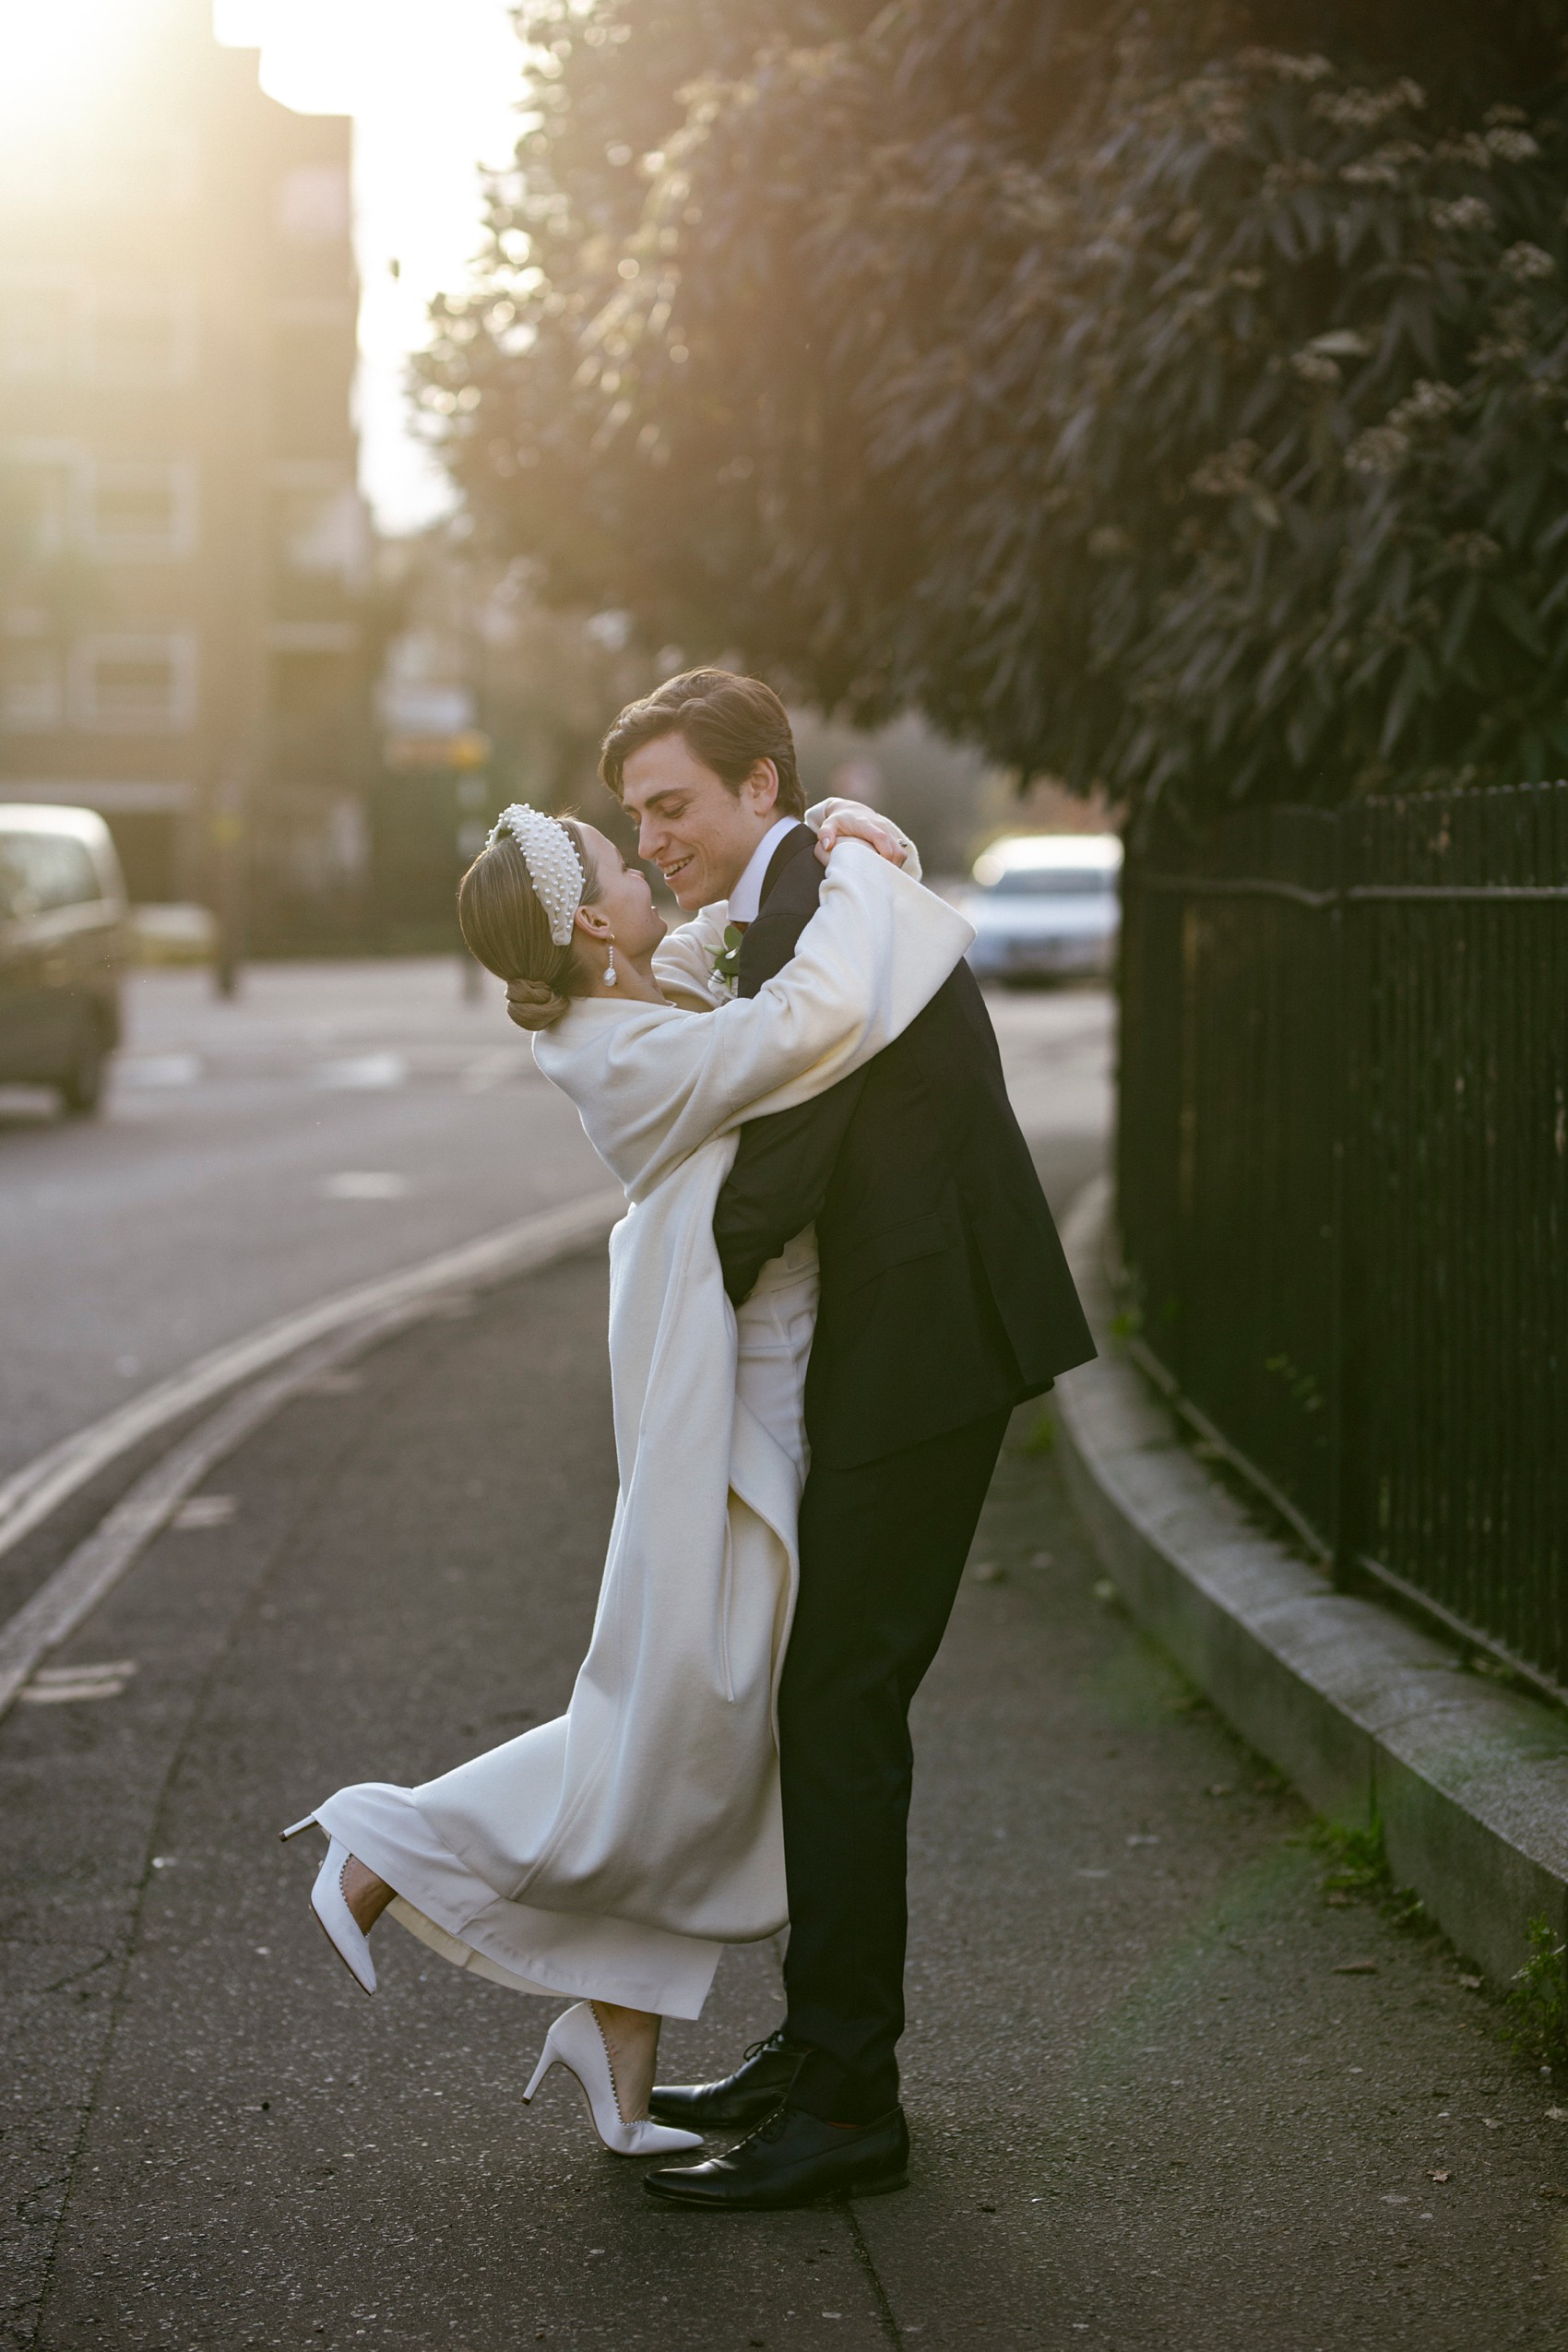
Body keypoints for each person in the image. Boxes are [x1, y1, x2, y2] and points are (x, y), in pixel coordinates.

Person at [280, 789, 971, 2167]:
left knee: (695, 1720)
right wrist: (870, 874)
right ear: (591, 916)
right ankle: (396, 1838)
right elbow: (808, 1019)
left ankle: (618, 2041)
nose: (647, 853)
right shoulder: (620, 1050)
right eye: (618, 853)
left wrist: (837, 836)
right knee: (689, 1716)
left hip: (750, 1383)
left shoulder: (648, 989)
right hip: (726, 1416)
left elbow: (734, 929)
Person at [596, 671, 1097, 2212]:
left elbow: (783, 1162)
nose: (655, 835)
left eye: (672, 803)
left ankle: (850, 2098)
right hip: (901, 1339)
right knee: (830, 1703)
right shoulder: (805, 881)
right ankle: (822, 2057)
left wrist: (665, 1272)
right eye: (635, 817)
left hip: (929, 1344)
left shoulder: (833, 896)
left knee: (839, 1706)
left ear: (761, 785)